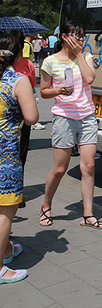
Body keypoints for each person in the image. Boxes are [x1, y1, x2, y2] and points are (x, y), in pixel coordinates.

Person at [39, 21, 102, 229]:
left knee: (89, 166)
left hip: (86, 116)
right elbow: (43, 91)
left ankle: (88, 214)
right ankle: (46, 206)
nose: (80, 40)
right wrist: (59, 91)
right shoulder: (50, 62)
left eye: (83, 36)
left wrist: (79, 54)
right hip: (64, 117)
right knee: (60, 168)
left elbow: (90, 78)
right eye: (76, 36)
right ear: (63, 37)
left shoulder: (85, 57)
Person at [0, 31, 39, 284]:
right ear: (17, 55)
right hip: (6, 155)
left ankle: (6, 251)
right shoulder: (17, 80)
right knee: (5, 210)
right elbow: (32, 117)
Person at [8, 30, 37, 208]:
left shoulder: (28, 65)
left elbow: (33, 88)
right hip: (13, 120)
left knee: (20, 154)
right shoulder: (11, 67)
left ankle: (16, 191)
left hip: (19, 119)